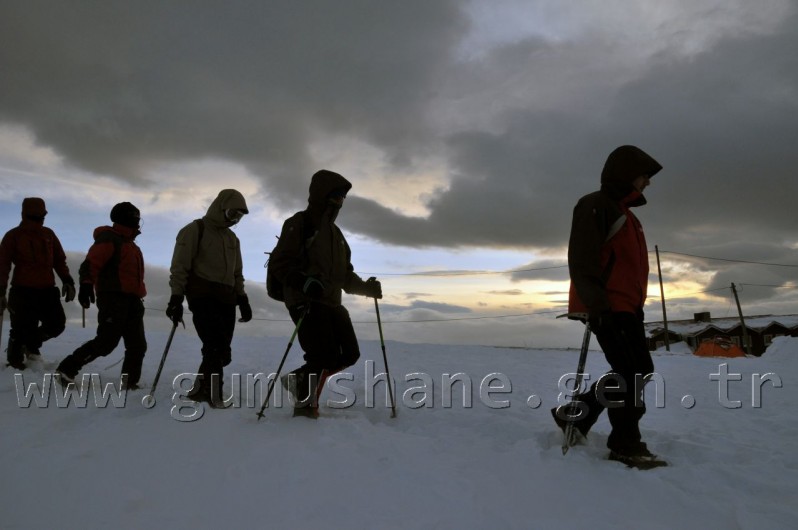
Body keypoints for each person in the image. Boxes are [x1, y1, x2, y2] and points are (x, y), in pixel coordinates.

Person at [554, 145, 667, 469]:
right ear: (627, 173)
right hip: (606, 305)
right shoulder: (596, 205)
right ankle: (625, 444)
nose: (648, 182)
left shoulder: (627, 216)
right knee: (632, 371)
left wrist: (636, 305)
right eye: (644, 175)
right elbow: (582, 258)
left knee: (636, 369)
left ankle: (575, 414)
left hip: (626, 306)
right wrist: (597, 305)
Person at [270, 169, 382, 418]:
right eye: (335, 195)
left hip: (331, 301)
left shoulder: (336, 234)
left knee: (350, 354)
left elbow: (345, 276)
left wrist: (367, 289)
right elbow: (280, 263)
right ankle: (305, 407)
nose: (340, 201)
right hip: (305, 300)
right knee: (323, 355)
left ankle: (299, 380)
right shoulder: (299, 223)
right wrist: (304, 282)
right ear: (322, 195)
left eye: (342, 197)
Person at [166, 189, 252, 408]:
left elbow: (237, 273)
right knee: (215, 346)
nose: (234, 220)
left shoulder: (232, 239)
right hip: (202, 295)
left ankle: (199, 390)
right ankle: (214, 396)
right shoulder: (195, 230)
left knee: (222, 352)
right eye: (232, 213)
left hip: (227, 299)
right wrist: (176, 297)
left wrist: (242, 299)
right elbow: (180, 266)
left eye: (239, 217)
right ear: (220, 207)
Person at [55, 202, 147, 389]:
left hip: (133, 300)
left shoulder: (131, 245)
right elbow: (90, 263)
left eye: (138, 218)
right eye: (135, 218)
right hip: (113, 299)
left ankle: (129, 383)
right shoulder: (109, 238)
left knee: (137, 345)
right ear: (124, 219)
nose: (138, 222)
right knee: (106, 342)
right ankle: (66, 368)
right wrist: (86, 284)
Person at [0, 198, 75, 369]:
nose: (39, 220)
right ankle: (16, 360)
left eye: (41, 217)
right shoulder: (13, 236)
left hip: (47, 290)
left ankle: (29, 345)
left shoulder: (48, 234)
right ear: (25, 215)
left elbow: (59, 259)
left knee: (56, 324)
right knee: (20, 329)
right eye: (35, 217)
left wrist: (67, 280)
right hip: (22, 291)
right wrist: (1, 290)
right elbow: (2, 265)